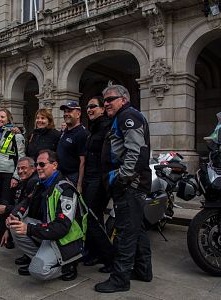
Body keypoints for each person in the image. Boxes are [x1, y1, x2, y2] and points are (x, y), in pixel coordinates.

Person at [95, 84, 152, 293]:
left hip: (130, 185)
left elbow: (136, 152)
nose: (107, 103)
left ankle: (120, 279)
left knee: (126, 232)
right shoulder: (122, 117)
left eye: (111, 99)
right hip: (131, 184)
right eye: (105, 100)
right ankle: (143, 270)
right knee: (137, 228)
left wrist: (122, 178)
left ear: (124, 99)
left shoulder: (128, 116)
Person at [7, 149, 87, 281]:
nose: (38, 168)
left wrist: (29, 229)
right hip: (50, 231)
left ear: (54, 165)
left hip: (65, 239)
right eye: (37, 164)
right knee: (15, 225)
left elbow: (62, 228)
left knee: (38, 272)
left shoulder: (65, 190)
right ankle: (37, 259)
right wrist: (15, 215)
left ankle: (68, 266)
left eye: (42, 164)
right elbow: (27, 201)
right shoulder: (41, 183)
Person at [82, 96, 115, 270]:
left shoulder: (106, 126)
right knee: (93, 219)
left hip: (98, 179)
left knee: (93, 218)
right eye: (87, 107)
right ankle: (95, 253)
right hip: (89, 177)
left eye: (93, 106)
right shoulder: (94, 128)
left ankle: (109, 258)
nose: (89, 109)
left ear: (102, 109)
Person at [0, 108, 26, 249]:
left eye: (2, 117)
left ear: (8, 119)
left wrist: (16, 177)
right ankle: (1, 235)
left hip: (8, 174)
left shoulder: (16, 134)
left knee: (7, 205)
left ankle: (9, 236)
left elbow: (21, 156)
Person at [57, 101, 88, 192]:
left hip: (72, 177)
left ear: (78, 114)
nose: (66, 114)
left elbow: (83, 161)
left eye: (69, 111)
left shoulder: (82, 133)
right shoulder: (65, 131)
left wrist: (79, 185)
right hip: (60, 175)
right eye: (65, 112)